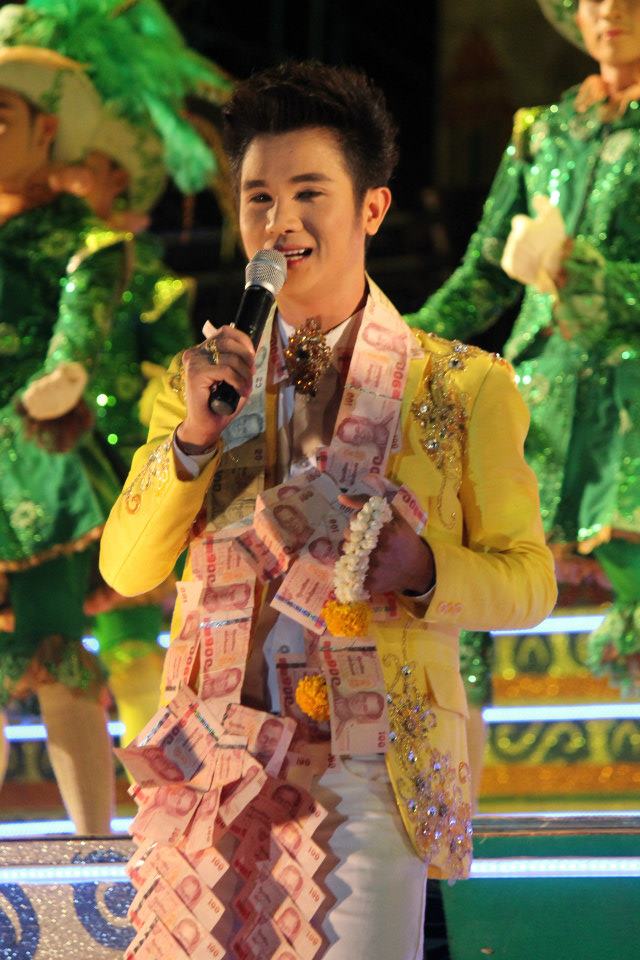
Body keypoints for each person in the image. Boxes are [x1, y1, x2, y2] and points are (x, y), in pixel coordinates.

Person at [101, 61, 556, 959]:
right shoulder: (202, 385)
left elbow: (529, 581)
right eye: (259, 198)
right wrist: (192, 441)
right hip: (214, 754)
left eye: (309, 193)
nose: (281, 222)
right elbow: (125, 567)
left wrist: (424, 570)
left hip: (368, 769)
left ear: (372, 208)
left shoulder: (459, 385)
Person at [407, 1, 640, 779]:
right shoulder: (541, 132)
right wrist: (396, 339)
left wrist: (587, 272)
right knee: (463, 582)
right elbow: (484, 273)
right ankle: (453, 818)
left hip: (633, 402)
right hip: (537, 396)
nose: (610, 10)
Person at [0, 12, 128, 833]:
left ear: (45, 129)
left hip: (42, 463)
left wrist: (63, 380)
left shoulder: (84, 240)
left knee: (55, 650)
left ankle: (91, 851)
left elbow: (81, 330)